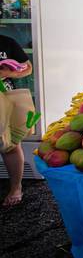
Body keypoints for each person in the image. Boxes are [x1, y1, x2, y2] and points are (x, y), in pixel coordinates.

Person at [1, 34, 33, 207]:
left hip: (5, 98)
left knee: (11, 144)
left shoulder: (7, 42)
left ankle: (15, 188)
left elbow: (28, 68)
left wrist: (8, 73)